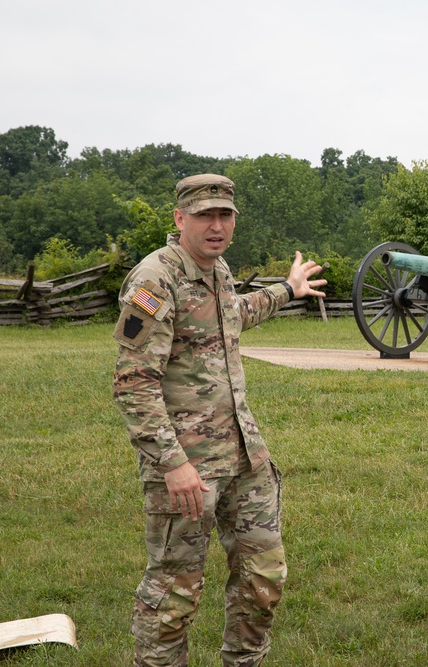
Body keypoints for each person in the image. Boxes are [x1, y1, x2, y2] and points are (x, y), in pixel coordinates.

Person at [112, 174, 326, 667]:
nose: (216, 225)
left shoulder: (217, 270)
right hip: (187, 466)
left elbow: (233, 313)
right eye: (205, 215)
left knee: (263, 574)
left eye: (224, 215)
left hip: (244, 455)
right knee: (174, 591)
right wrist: (172, 464)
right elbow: (133, 383)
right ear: (179, 218)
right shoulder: (154, 281)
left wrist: (287, 290)